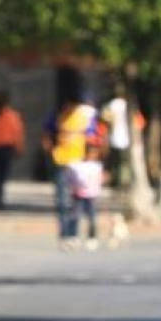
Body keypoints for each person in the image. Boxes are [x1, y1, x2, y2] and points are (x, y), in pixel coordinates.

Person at [42, 94, 99, 250]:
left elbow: (93, 139)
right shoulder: (56, 116)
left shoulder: (84, 117)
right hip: (61, 161)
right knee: (61, 201)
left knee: (77, 202)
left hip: (79, 165)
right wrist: (50, 152)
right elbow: (47, 134)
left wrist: (91, 161)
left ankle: (73, 234)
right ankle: (64, 234)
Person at [66, 141, 105, 251]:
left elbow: (100, 179)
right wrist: (73, 187)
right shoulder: (78, 165)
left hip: (91, 195)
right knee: (75, 216)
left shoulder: (97, 166)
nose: (92, 156)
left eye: (95, 153)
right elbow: (71, 177)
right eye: (91, 153)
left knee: (92, 217)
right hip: (78, 195)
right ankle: (72, 236)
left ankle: (92, 237)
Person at [101, 85, 132, 188]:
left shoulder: (111, 104)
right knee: (124, 161)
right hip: (126, 137)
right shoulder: (129, 105)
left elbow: (105, 119)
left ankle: (114, 181)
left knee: (114, 161)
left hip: (114, 136)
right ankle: (123, 182)